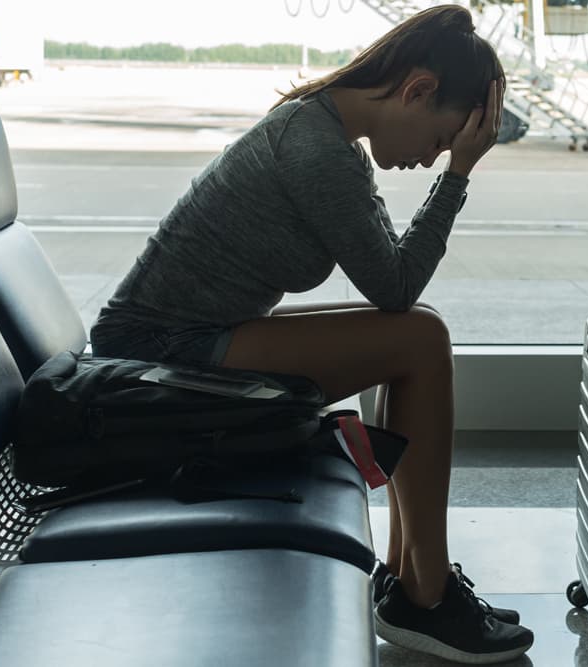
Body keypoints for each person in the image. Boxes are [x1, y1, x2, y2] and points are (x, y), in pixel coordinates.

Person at [89, 5, 533, 664]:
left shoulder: (330, 139)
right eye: (439, 139)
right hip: (160, 360)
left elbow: (396, 281)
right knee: (418, 340)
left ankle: (414, 582)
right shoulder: (314, 146)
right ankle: (426, 595)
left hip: (185, 339)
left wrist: (452, 168)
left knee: (420, 335)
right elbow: (394, 286)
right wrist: (458, 177)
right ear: (416, 91)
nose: (430, 157)